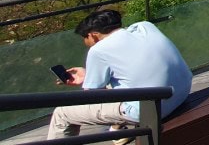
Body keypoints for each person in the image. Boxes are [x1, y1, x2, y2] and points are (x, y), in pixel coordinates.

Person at [47, 9, 192, 140]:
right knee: (121, 82)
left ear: (93, 35)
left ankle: (121, 128)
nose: (86, 42)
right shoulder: (145, 27)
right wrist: (89, 75)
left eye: (85, 38)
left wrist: (88, 81)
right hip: (181, 92)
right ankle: (120, 130)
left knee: (62, 114)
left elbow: (93, 97)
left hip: (152, 110)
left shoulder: (98, 50)